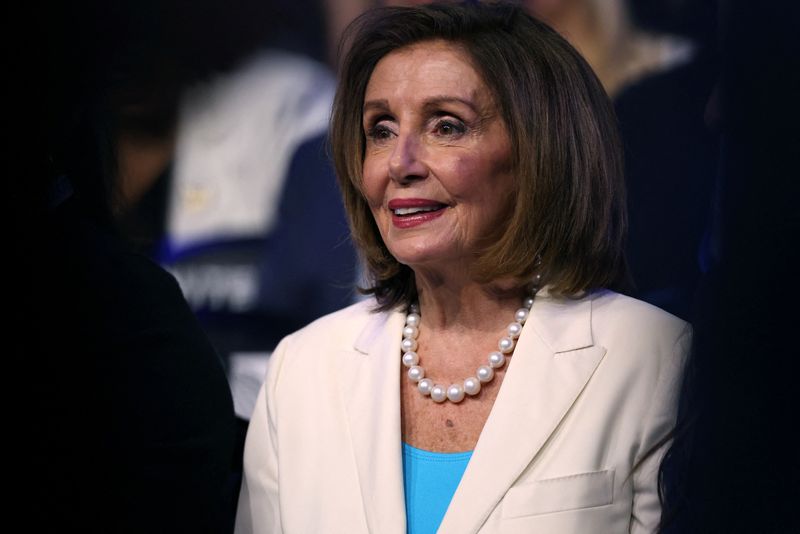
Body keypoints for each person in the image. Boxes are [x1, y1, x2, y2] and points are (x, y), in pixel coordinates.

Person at [234, 3, 690, 533]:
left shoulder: (649, 356)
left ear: (538, 151)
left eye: (446, 126)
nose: (400, 163)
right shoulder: (302, 370)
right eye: (380, 130)